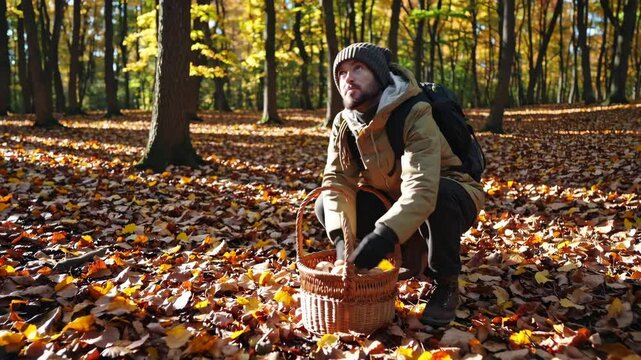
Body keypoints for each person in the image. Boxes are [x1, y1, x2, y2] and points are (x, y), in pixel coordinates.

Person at [314, 42, 485, 327]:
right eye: (341, 72)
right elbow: (337, 181)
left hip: (450, 192)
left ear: (380, 75)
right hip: (391, 197)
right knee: (325, 202)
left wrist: (382, 235)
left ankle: (445, 284)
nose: (348, 78)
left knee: (440, 195)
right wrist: (344, 242)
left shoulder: (414, 112)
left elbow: (422, 188)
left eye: (358, 68)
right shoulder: (344, 122)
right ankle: (397, 263)